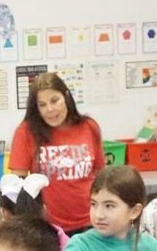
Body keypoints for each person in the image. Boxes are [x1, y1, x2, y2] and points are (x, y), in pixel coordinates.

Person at [8, 72, 105, 234]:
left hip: (91, 222)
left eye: (55, 100)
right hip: (48, 227)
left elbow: (102, 176)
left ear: (66, 96)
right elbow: (17, 187)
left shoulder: (89, 127)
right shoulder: (26, 132)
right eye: (42, 105)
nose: (50, 109)